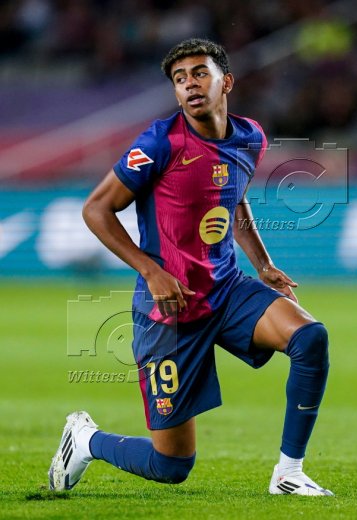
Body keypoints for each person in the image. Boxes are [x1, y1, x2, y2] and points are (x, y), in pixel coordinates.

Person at [49, 38, 333, 497]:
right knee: (171, 465)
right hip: (170, 310)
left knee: (310, 337)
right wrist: (151, 271)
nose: (190, 85)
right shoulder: (160, 142)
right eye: (180, 79)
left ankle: (289, 473)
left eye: (200, 73)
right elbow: (96, 209)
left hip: (226, 290)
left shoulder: (250, 137)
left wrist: (263, 264)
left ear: (227, 82)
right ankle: (86, 440)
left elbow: (233, 198)